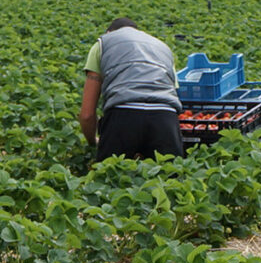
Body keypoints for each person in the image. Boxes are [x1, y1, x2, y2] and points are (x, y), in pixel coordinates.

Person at [79, 17, 184, 161]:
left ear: (109, 32)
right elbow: (174, 91)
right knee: (168, 178)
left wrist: (93, 141)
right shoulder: (163, 48)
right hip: (165, 117)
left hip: (122, 115)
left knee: (110, 177)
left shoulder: (104, 43)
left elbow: (87, 114)